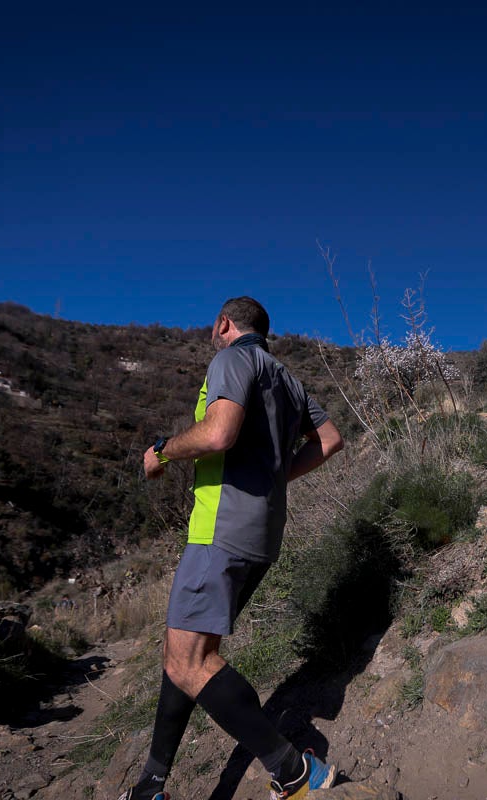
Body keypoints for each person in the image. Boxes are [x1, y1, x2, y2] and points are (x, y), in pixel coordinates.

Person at [122, 297, 344, 800]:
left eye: (214, 325)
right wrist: (275, 477)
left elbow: (220, 433)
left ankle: (295, 772)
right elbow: (329, 440)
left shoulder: (230, 358)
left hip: (219, 532)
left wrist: (161, 452)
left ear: (225, 323)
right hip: (261, 535)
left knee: (190, 660)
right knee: (185, 653)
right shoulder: (288, 379)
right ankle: (150, 783)